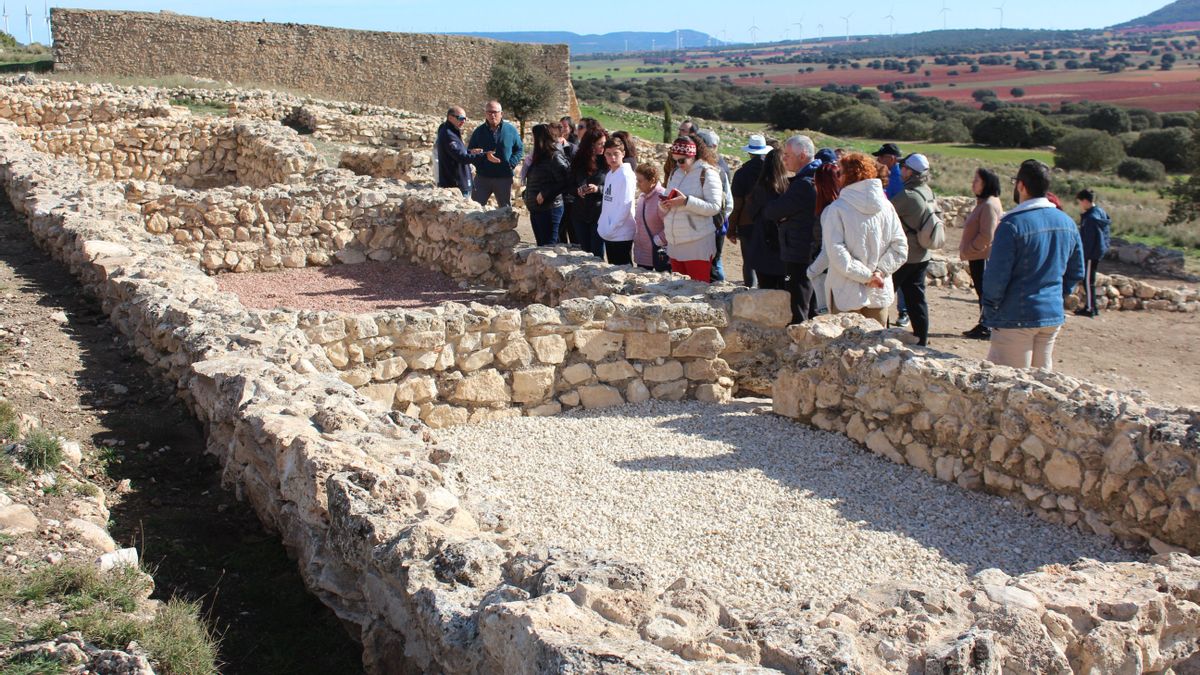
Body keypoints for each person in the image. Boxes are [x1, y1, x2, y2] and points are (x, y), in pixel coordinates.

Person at [982, 160, 1085, 370]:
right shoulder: (1067, 222)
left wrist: (991, 307)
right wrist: (1059, 294)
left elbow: (996, 276)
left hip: (1015, 315)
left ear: (1021, 186)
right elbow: (1077, 270)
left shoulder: (1012, 224)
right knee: (1039, 384)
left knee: (1007, 383)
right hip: (1051, 314)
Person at [811, 152, 908, 324]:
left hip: (846, 291)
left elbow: (836, 252)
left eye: (840, 172)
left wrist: (868, 276)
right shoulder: (887, 207)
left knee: (843, 344)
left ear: (849, 175)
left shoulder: (837, 209)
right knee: (876, 346)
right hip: (878, 289)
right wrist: (879, 272)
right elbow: (900, 248)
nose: (838, 177)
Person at [762, 135, 820, 324]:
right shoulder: (816, 177)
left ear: (802, 155)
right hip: (807, 245)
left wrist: (782, 214)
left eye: (787, 155)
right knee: (808, 296)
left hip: (798, 248)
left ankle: (800, 338)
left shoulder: (803, 184)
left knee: (799, 300)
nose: (783, 159)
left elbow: (772, 211)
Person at [661, 136, 722, 282]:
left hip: (697, 244)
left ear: (692, 155)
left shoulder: (708, 173)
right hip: (675, 243)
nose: (678, 164)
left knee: (697, 292)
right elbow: (667, 196)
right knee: (678, 290)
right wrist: (664, 205)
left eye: (682, 160)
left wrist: (686, 201)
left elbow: (714, 207)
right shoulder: (675, 173)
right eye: (675, 160)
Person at [890, 153, 936, 346]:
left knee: (884, 294)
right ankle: (921, 338)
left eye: (904, 167)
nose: (901, 170)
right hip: (923, 253)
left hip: (905, 255)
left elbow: (887, 212)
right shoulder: (927, 192)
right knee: (916, 297)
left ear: (910, 172)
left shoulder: (907, 196)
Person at [960, 168, 1003, 339]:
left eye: (977, 180)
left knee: (985, 291)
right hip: (979, 254)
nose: (973, 183)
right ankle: (985, 323)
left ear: (987, 183)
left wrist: (972, 248)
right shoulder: (984, 203)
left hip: (982, 255)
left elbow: (987, 234)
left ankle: (987, 325)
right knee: (981, 290)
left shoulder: (989, 205)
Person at [737, 148, 789, 289]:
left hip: (762, 240)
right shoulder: (789, 187)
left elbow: (750, 211)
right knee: (784, 285)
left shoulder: (760, 188)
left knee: (765, 285)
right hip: (783, 244)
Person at [728, 133, 772, 287]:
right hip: (770, 222)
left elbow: (737, 204)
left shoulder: (741, 173)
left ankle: (750, 288)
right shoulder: (774, 171)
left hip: (746, 223)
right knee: (769, 258)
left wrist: (731, 229)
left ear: (749, 152)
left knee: (749, 261)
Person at [467, 100, 524, 208]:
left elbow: (519, 149)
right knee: (475, 209)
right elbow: (471, 152)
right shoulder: (478, 131)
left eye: (495, 112)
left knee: (505, 210)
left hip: (504, 178)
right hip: (482, 178)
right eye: (489, 112)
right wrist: (481, 165)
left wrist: (510, 164)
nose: (492, 115)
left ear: (501, 113)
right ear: (485, 114)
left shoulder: (510, 130)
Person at [523, 124, 571, 246]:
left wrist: (546, 193)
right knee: (541, 246)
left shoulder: (554, 156)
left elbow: (566, 179)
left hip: (550, 208)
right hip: (537, 208)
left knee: (549, 247)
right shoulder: (539, 156)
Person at [806, 162, 844, 312]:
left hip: (824, 272)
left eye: (815, 182)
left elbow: (828, 248)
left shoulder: (829, 211)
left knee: (825, 313)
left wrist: (812, 271)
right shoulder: (842, 207)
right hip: (831, 271)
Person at [696, 129, 733, 283]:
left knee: (713, 265)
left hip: (713, 226)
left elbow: (728, 203)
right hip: (715, 225)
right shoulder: (718, 165)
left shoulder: (718, 169)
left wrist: (715, 222)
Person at [569, 128, 608, 258]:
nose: (603, 146)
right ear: (591, 145)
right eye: (600, 143)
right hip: (579, 213)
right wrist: (577, 191)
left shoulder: (608, 162)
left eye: (604, 143)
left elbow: (614, 189)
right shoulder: (578, 161)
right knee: (584, 253)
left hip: (599, 214)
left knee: (597, 254)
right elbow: (568, 185)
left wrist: (598, 189)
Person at [597, 139, 637, 265]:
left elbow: (626, 205)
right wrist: (603, 223)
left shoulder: (626, 175)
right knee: (612, 266)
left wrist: (612, 227)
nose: (612, 157)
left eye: (616, 153)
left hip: (621, 232)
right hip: (610, 232)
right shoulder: (610, 174)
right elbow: (608, 203)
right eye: (608, 154)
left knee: (623, 269)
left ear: (623, 154)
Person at [1075, 188, 1111, 317]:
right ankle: (1091, 307)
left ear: (1085, 201)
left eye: (1080, 202)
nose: (1080, 205)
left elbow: (1088, 240)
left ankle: (1090, 308)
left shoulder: (1090, 218)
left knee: (1088, 281)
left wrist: (1082, 255)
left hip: (1091, 253)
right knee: (1089, 280)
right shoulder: (1100, 212)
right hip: (1099, 250)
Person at [632, 163, 667, 271]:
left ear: (652, 180)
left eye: (640, 181)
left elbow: (671, 225)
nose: (637, 184)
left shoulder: (662, 197)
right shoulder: (642, 197)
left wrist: (658, 240)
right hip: (642, 256)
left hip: (658, 255)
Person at [435, 106, 475, 196]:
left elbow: (457, 152)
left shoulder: (453, 131)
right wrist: (483, 156)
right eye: (460, 118)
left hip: (459, 183)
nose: (463, 121)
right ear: (450, 117)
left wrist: (470, 152)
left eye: (465, 118)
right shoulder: (449, 134)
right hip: (456, 185)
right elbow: (461, 157)